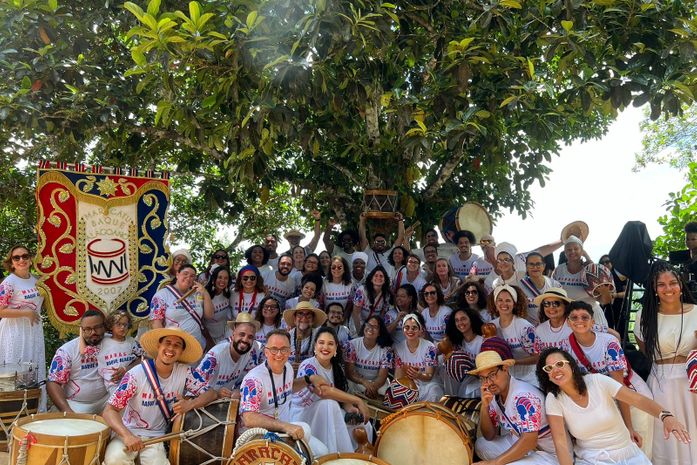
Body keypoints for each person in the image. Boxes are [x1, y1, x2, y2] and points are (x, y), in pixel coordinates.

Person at [537, 347, 690, 465]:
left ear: (571, 365)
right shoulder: (554, 399)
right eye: (548, 368)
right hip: (592, 459)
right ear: (547, 376)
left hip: (628, 455)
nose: (555, 370)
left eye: (559, 364)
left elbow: (638, 400)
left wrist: (666, 416)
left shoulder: (597, 381)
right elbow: (561, 442)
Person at [102, 328, 215, 465]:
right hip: (128, 432)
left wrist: (190, 404)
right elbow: (109, 411)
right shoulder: (136, 374)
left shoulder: (186, 372)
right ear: (158, 346)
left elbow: (211, 393)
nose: (171, 348)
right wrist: (127, 436)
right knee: (115, 460)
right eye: (167, 343)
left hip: (157, 437)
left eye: (177, 345)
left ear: (181, 352)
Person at [565, 301, 654, 458]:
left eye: (585, 317)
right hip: (605, 402)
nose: (579, 321)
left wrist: (629, 427)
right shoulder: (566, 348)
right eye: (574, 317)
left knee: (639, 447)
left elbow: (619, 386)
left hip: (630, 396)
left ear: (593, 321)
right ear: (568, 322)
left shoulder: (608, 342)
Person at [634, 261, 697, 464]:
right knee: (665, 438)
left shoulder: (696, 312)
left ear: (681, 285)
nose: (668, 288)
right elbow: (646, 351)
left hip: (691, 382)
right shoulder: (644, 316)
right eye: (661, 284)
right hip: (661, 382)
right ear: (654, 289)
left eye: (673, 282)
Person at [238, 329, 330, 457]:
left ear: (290, 351)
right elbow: (249, 417)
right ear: (265, 351)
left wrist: (309, 379)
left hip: (283, 432)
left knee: (323, 452)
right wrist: (285, 426)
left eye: (284, 349)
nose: (279, 354)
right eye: (274, 349)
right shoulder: (254, 380)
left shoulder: (287, 367)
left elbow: (287, 387)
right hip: (257, 438)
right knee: (305, 429)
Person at [469, 350, 558, 465]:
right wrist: (484, 406)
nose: (489, 382)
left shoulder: (523, 396)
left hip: (549, 454)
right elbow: (489, 435)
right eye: (483, 378)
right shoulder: (495, 394)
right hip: (525, 446)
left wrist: (494, 462)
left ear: (505, 369)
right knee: (481, 445)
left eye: (492, 375)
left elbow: (530, 441)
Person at [290, 327, 371, 453]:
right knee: (329, 404)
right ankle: (337, 456)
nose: (325, 347)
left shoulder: (336, 368)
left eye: (330, 344)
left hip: (327, 412)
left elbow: (338, 393)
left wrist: (349, 407)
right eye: (321, 343)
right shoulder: (308, 365)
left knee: (363, 424)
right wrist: (358, 401)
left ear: (336, 348)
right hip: (303, 416)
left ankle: (360, 455)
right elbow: (324, 392)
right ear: (315, 346)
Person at [0, 245, 46, 410]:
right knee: (16, 370)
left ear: (31, 259)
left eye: (25, 256)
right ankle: (14, 412)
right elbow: (1, 310)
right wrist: (26, 313)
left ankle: (35, 410)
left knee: (34, 367)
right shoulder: (9, 283)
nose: (21, 260)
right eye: (16, 258)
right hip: (14, 333)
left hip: (33, 331)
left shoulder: (36, 280)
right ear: (11, 262)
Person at [189, 313, 263, 400]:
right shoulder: (215, 355)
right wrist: (216, 394)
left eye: (250, 337)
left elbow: (250, 379)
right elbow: (192, 389)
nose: (245, 340)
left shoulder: (251, 352)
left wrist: (239, 390)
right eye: (242, 334)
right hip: (205, 403)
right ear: (233, 332)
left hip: (226, 404)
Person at [47, 309, 109, 413]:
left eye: (97, 327)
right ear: (81, 330)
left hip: (107, 401)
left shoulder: (114, 342)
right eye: (88, 329)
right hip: (77, 404)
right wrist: (67, 411)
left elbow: (139, 358)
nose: (93, 332)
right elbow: (53, 383)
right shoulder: (67, 350)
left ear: (104, 327)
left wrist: (125, 369)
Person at [150, 264, 214, 352]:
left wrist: (205, 293)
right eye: (185, 274)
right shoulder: (162, 295)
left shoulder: (197, 294)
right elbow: (156, 323)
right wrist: (164, 344)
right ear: (177, 275)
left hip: (197, 345)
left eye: (192, 276)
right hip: (174, 346)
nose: (189, 278)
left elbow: (209, 315)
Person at [551, 235, 610, 330]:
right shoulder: (558, 270)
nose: (572, 252)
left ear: (582, 251)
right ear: (565, 252)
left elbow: (605, 301)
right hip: (569, 318)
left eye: (576, 249)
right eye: (569, 250)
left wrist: (604, 291)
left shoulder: (591, 271)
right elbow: (554, 296)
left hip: (592, 316)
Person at [488, 284, 538, 385]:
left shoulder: (525, 327)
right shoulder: (491, 327)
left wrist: (515, 362)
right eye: (500, 300)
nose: (504, 304)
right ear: (495, 304)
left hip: (528, 378)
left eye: (508, 300)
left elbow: (537, 357)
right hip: (505, 379)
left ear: (514, 304)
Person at [393, 313, 444, 402]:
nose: (410, 331)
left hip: (428, 385)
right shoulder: (398, 349)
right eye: (407, 327)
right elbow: (398, 376)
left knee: (434, 392)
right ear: (403, 330)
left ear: (420, 330)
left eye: (414, 328)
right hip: (410, 385)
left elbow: (429, 375)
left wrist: (418, 375)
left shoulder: (430, 347)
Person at [345, 315, 394, 398]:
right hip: (358, 381)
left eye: (375, 327)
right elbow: (349, 372)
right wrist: (364, 382)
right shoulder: (352, 345)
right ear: (365, 326)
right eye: (369, 325)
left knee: (388, 393)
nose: (371, 329)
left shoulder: (386, 350)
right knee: (348, 385)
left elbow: (382, 376)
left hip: (376, 383)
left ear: (379, 332)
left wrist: (373, 387)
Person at [98, 310, 144, 396]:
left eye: (125, 324)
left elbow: (142, 358)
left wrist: (125, 369)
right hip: (113, 384)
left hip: (133, 381)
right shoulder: (102, 342)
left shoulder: (131, 342)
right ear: (111, 326)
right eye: (118, 324)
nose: (122, 327)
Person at [443, 307, 484, 398]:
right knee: (448, 363)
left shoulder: (482, 341)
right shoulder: (458, 342)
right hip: (466, 378)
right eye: (457, 320)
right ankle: (451, 399)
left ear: (471, 320)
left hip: (481, 380)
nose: (460, 323)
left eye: (463, 319)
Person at [518, 252, 562, 325]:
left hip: (551, 327)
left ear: (544, 266)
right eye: (531, 264)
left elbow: (561, 309)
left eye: (538, 264)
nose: (535, 267)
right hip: (529, 329)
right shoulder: (520, 286)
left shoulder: (555, 285)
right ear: (526, 267)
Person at [283, 301, 328, 369]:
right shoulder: (285, 338)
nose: (304, 318)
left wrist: (305, 366)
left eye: (308, 315)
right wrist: (287, 367)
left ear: (313, 320)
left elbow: (325, 363)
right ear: (295, 319)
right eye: (300, 314)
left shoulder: (320, 338)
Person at [351, 265, 393, 333]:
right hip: (358, 325)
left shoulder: (386, 295)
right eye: (376, 275)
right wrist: (359, 331)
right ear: (371, 279)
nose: (378, 278)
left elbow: (382, 314)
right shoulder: (362, 290)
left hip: (373, 327)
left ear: (385, 280)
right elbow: (356, 313)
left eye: (381, 276)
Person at [532, 288, 573, 354]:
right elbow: (538, 356)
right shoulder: (539, 329)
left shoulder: (576, 326)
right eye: (546, 304)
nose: (551, 307)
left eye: (556, 303)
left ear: (566, 306)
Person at [598, 254, 627, 334]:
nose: (605, 264)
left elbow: (627, 293)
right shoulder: (598, 277)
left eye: (607, 262)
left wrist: (614, 295)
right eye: (602, 262)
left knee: (622, 330)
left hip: (619, 306)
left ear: (612, 262)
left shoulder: (620, 275)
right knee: (607, 330)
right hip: (605, 307)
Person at [204, 265, 233, 343]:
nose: (223, 281)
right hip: (208, 337)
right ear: (214, 279)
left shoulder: (229, 294)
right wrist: (209, 342)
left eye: (226, 278)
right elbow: (201, 323)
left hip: (225, 334)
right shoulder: (204, 295)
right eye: (220, 277)